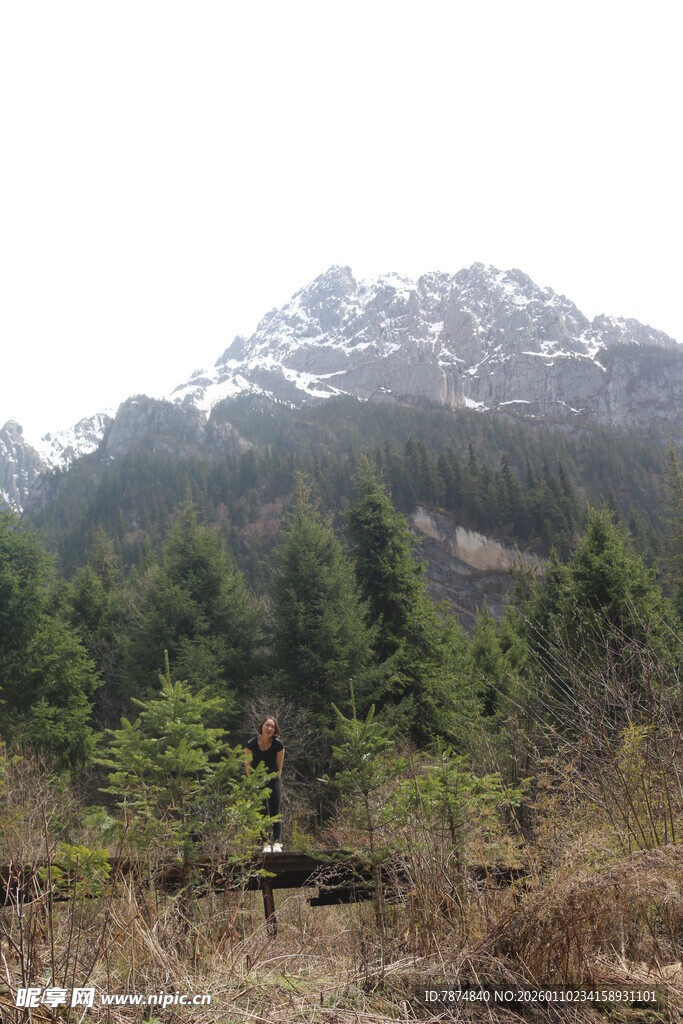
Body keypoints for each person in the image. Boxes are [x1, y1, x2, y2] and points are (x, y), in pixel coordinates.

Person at [244, 716, 285, 853]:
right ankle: (264, 842)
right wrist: (253, 782)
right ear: (261, 726)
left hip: (273, 779)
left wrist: (274, 779)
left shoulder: (278, 745)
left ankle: (277, 842)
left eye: (272, 727)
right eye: (267, 725)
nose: (269, 729)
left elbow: (279, 767)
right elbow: (248, 766)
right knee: (260, 812)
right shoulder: (251, 744)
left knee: (275, 810)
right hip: (257, 780)